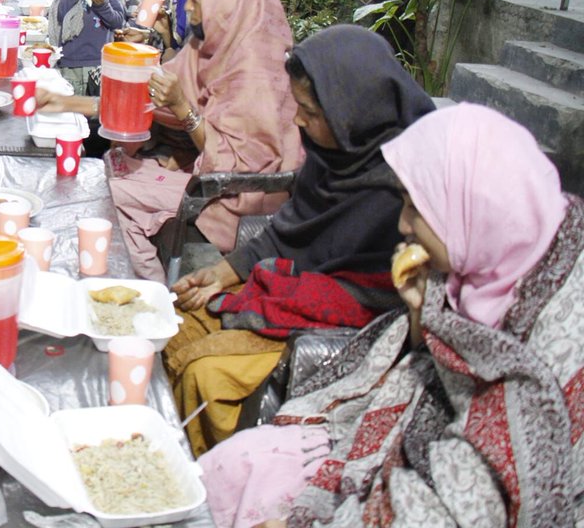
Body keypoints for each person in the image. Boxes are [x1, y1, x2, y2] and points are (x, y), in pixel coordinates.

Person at [198, 103, 583, 528]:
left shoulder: (559, 334)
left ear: (471, 206)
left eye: (417, 209)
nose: (402, 225)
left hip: (463, 492)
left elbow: (478, 489)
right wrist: (420, 314)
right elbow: (432, 366)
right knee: (238, 462)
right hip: (414, 434)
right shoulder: (473, 257)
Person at [164, 24, 436, 457]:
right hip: (290, 291)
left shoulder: (406, 190)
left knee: (206, 373)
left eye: (310, 111)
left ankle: (216, 485)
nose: (297, 120)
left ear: (351, 111)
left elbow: (385, 300)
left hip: (341, 330)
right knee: (172, 324)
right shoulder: (336, 155)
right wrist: (223, 272)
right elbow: (292, 228)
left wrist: (277, 289)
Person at [42, 0, 303, 281]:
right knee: (114, 164)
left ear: (226, 4)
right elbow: (141, 95)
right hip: (206, 168)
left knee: (113, 193)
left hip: (240, 193)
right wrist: (66, 103)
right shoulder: (210, 44)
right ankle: (144, 278)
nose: (188, 8)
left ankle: (149, 290)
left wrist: (183, 108)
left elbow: (240, 164)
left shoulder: (254, 70)